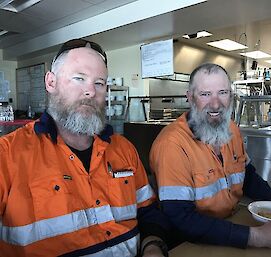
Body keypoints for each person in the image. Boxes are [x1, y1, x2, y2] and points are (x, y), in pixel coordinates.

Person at [0, 38, 170, 257]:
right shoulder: (7, 155)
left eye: (99, 83)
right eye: (79, 78)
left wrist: (153, 246)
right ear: (51, 82)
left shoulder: (124, 149)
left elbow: (148, 212)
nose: (90, 91)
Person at [149, 63, 271, 250]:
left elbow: (247, 175)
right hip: (189, 241)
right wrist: (258, 237)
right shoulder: (172, 144)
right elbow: (181, 218)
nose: (215, 104)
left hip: (230, 225)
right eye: (205, 94)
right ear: (190, 98)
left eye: (222, 92)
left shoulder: (232, 129)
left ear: (231, 96)